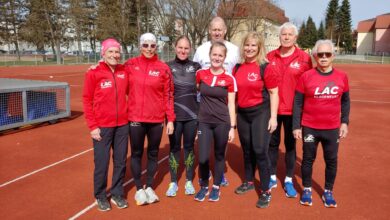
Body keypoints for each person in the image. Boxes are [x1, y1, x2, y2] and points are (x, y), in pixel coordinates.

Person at [293, 39, 350, 208]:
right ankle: (308, 189)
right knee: (308, 159)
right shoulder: (306, 76)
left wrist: (344, 122)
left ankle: (328, 191)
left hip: (332, 128)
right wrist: (296, 126)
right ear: (315, 55)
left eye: (328, 54)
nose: (324, 57)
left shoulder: (342, 77)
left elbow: (346, 101)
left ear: (333, 56)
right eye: (320, 54)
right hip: (310, 126)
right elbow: (297, 102)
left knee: (331, 160)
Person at [125, 33, 175, 205]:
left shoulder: (163, 68)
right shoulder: (130, 65)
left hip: (156, 120)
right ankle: (139, 189)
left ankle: (149, 186)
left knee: (153, 154)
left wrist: (170, 119)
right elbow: (116, 75)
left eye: (152, 45)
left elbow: (168, 95)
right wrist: (98, 66)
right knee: (137, 153)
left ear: (156, 47)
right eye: (145, 45)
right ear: (140, 46)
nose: (148, 49)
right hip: (136, 118)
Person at [232, 32, 279, 208]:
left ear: (259, 48)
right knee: (246, 150)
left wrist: (273, 117)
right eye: (247, 45)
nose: (249, 48)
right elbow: (234, 95)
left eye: (253, 45)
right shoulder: (237, 68)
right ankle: (249, 181)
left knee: (260, 150)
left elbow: (274, 92)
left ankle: (266, 190)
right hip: (243, 115)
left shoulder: (265, 67)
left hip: (261, 113)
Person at [266, 22, 313, 197]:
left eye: (289, 34)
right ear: (280, 37)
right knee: (272, 145)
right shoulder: (269, 56)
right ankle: (271, 176)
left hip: (294, 112)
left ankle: (288, 179)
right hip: (273, 111)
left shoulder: (304, 58)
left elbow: (309, 84)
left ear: (295, 37)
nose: (286, 37)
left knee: (291, 146)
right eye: (283, 34)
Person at [82, 38, 129, 211]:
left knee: (120, 162)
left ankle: (117, 193)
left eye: (117, 52)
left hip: (123, 125)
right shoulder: (93, 73)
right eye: (110, 51)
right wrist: (92, 126)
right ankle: (100, 196)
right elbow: (87, 100)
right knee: (102, 163)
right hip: (102, 126)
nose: (114, 55)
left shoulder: (124, 70)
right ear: (103, 53)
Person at [193, 16, 240, 186]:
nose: (217, 32)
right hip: (204, 103)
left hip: (225, 100)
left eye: (220, 29)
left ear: (225, 30)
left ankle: (219, 173)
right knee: (204, 147)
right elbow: (195, 75)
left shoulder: (235, 49)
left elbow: (240, 71)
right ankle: (205, 174)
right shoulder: (200, 49)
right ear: (209, 31)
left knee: (221, 145)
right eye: (214, 29)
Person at [165, 36, 202, 197]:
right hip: (174, 117)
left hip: (192, 116)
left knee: (188, 147)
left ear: (190, 49)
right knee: (174, 148)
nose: (183, 51)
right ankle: (173, 182)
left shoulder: (196, 66)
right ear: (175, 47)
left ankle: (188, 180)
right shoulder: (167, 66)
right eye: (180, 47)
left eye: (186, 48)